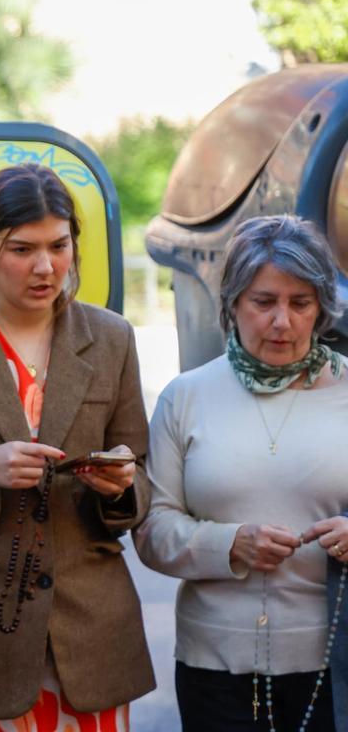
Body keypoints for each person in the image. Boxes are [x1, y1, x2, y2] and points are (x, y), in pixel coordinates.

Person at [0, 163, 155, 730]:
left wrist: (120, 486)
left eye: (59, 245)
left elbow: (141, 478)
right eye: (22, 248)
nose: (46, 267)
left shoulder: (112, 338)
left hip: (89, 638)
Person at [135, 215, 348, 731]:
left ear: (321, 307)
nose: (282, 321)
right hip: (214, 667)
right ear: (231, 303)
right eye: (264, 301)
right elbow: (151, 531)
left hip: (336, 664)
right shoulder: (185, 396)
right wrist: (230, 545)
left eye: (300, 303)